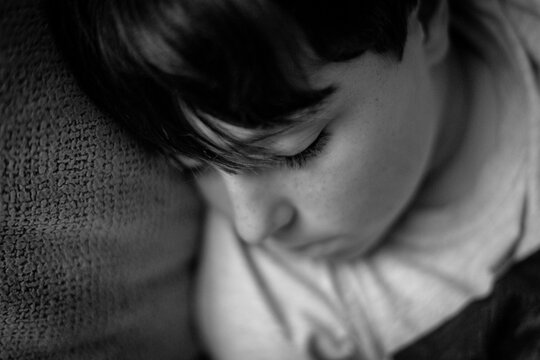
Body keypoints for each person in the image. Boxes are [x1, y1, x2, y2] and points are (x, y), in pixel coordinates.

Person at [46, 0, 540, 359]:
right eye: (195, 167)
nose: (251, 227)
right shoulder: (276, 329)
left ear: (427, 20)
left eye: (297, 150)